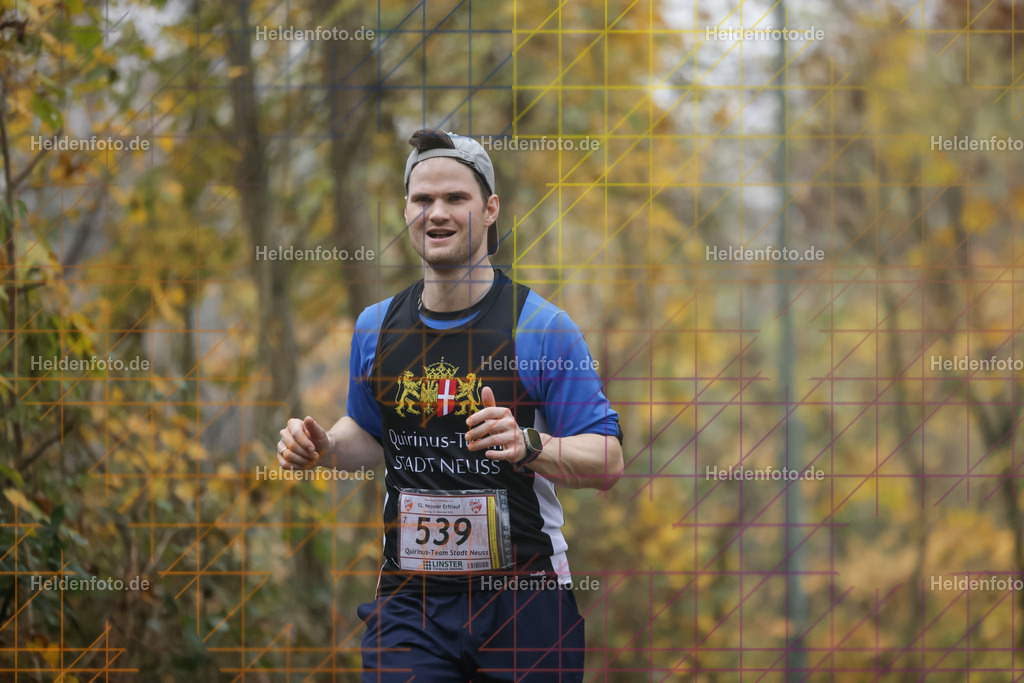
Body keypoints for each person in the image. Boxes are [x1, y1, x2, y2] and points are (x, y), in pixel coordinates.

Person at [276, 129, 624, 682]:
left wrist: (529, 444)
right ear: (406, 210)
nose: (436, 212)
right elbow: (369, 437)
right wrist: (325, 447)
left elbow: (607, 460)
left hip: (524, 597)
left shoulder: (541, 328)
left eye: (455, 198)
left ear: (489, 210)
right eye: (423, 199)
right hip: (411, 604)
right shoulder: (376, 327)